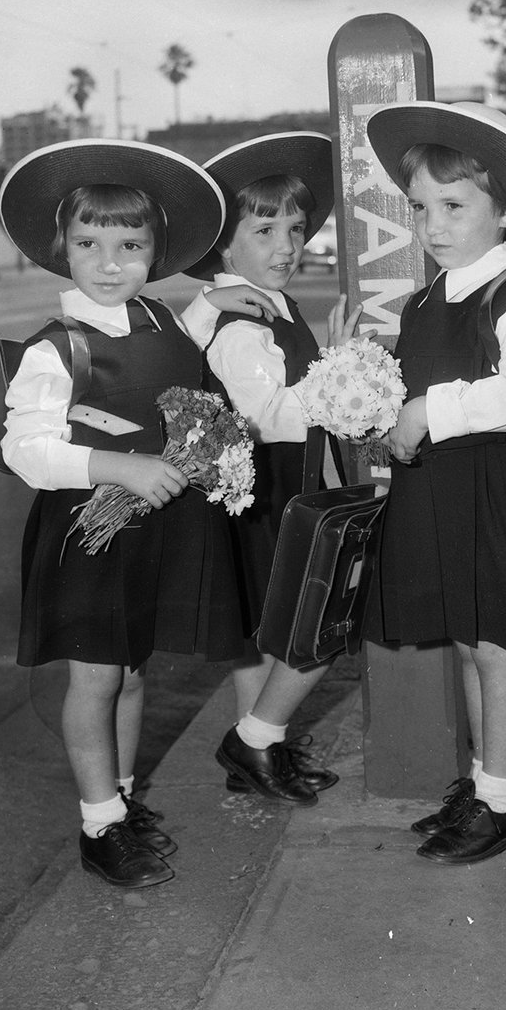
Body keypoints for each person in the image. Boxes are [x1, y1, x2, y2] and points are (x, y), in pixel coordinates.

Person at [0, 138, 246, 888]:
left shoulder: (158, 320)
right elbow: (26, 449)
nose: (110, 264)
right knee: (97, 680)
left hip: (151, 532)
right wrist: (119, 466)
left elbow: (163, 364)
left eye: (131, 246)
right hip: (90, 537)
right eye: (89, 244)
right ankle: (99, 823)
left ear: (154, 251)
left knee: (133, 674)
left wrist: (207, 307)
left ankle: (123, 798)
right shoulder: (59, 350)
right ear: (60, 249)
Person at [363, 101, 506, 865]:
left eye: (454, 207)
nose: (433, 225)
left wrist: (432, 409)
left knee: (497, 647)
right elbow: (409, 390)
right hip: (437, 492)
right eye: (421, 208)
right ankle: (485, 780)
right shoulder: (426, 300)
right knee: (466, 637)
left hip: (493, 489)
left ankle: (505, 802)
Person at [179, 132, 362, 807]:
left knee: (261, 630)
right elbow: (269, 414)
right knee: (300, 623)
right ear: (225, 248)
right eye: (265, 230)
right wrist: (341, 375)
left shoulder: (268, 303)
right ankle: (257, 739)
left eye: (296, 229)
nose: (287, 246)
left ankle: (259, 748)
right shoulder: (243, 320)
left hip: (273, 485)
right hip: (264, 488)